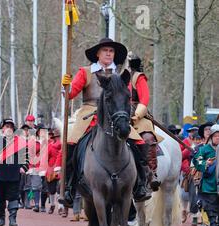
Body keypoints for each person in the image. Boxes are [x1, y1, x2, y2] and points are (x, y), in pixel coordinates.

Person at [61, 38, 149, 206]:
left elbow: (126, 95)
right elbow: (70, 95)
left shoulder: (121, 74)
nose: (109, 53)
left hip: (114, 115)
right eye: (105, 50)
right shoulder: (85, 72)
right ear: (98, 54)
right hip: (89, 114)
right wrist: (66, 87)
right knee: (71, 142)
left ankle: (140, 185)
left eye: (112, 51)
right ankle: (69, 186)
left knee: (138, 142)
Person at [128, 52, 164, 192]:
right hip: (116, 112)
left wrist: (136, 116)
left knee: (147, 138)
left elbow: (144, 99)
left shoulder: (138, 77)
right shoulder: (112, 76)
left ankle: (151, 174)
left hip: (137, 113)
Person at [0, 119, 27, 226]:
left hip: (14, 173)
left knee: (13, 197)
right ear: (2, 128)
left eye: (10, 127)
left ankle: (12, 218)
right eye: (6, 126)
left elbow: (26, 157)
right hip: (0, 173)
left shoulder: (20, 141)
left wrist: (23, 167)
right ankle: (1, 217)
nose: (8, 128)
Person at [193, 124, 219, 226]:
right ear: (211, 137)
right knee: (210, 205)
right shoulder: (204, 149)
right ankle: (213, 225)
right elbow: (197, 161)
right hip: (209, 182)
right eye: (216, 136)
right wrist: (205, 163)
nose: (218, 138)